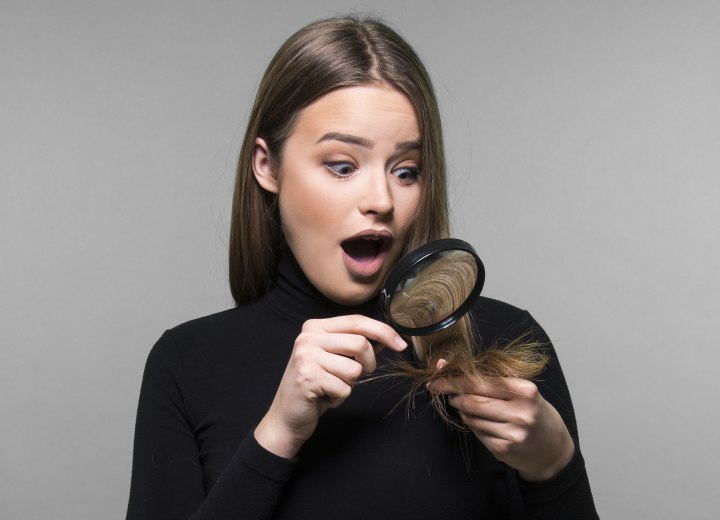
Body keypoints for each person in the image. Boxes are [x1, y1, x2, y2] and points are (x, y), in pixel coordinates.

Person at [125, 16, 598, 519]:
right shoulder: (187, 363)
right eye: (343, 165)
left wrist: (555, 462)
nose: (381, 199)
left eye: (406, 171)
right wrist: (279, 432)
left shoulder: (503, 341)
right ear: (268, 166)